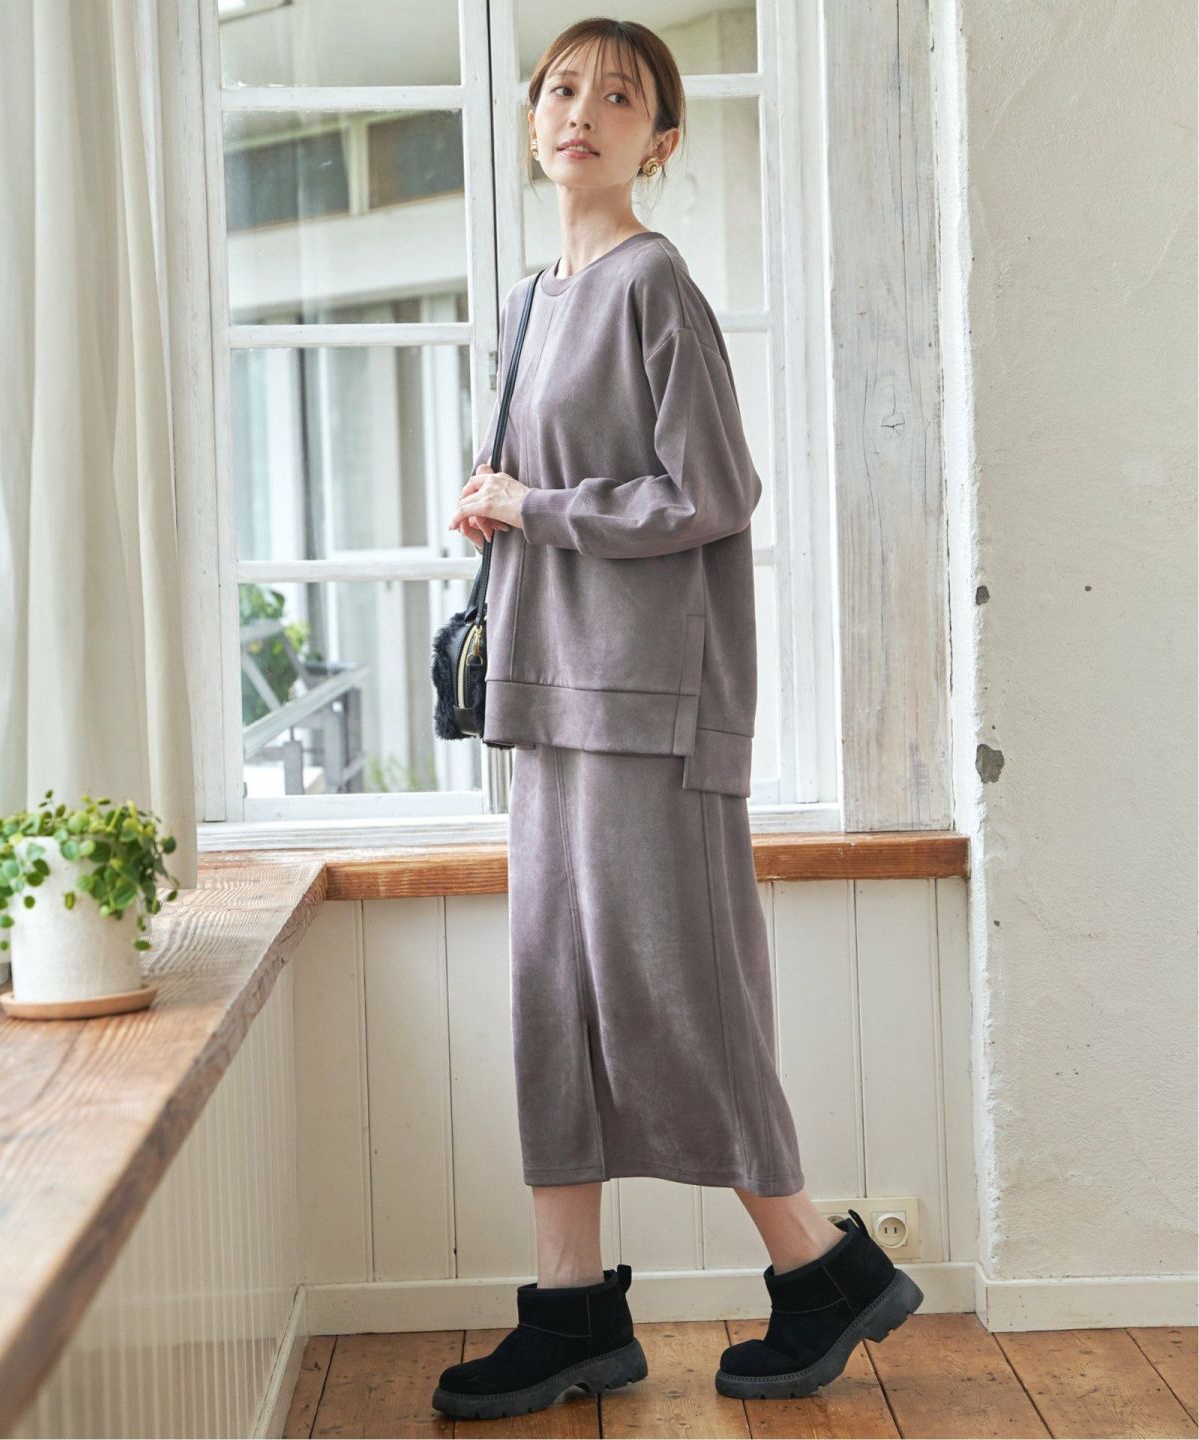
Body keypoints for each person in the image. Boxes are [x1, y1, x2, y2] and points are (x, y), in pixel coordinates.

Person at [433, 18, 922, 1422]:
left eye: (620, 93)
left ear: (661, 139)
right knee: (554, 999)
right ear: (533, 117)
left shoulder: (655, 283)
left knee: (684, 998)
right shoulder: (533, 300)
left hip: (653, 709)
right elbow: (553, 494)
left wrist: (537, 505)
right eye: (561, 87)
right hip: (550, 698)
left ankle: (821, 1268)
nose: (582, 110)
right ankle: (573, 1309)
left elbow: (711, 491)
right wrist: (498, 507)